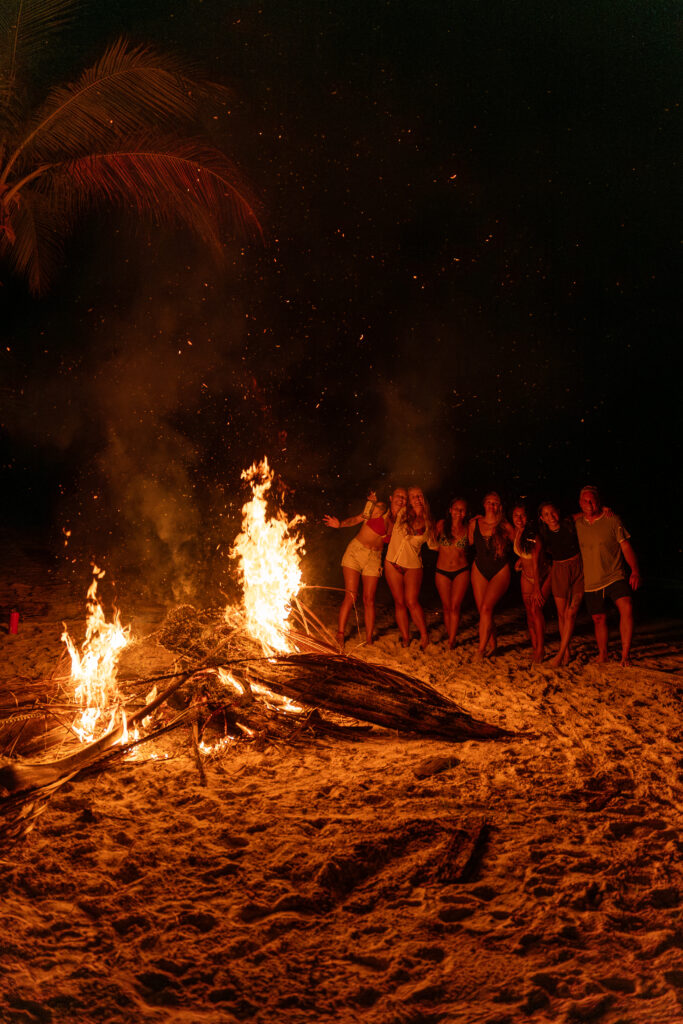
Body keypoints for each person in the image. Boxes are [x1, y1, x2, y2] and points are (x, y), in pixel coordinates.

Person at [574, 485, 641, 665]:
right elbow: (559, 522)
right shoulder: (577, 524)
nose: (589, 503)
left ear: (599, 501)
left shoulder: (612, 520)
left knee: (626, 606)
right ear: (580, 503)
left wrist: (635, 570)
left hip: (614, 574)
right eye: (585, 500)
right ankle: (603, 654)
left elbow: (625, 546)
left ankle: (625, 655)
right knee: (598, 618)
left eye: (592, 500)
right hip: (591, 580)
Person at [323, 491, 389, 648]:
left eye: (379, 509)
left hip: (374, 558)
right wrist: (339, 524)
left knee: (369, 599)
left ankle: (369, 639)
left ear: (385, 510)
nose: (375, 511)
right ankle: (340, 634)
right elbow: (354, 520)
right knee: (351, 595)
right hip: (355, 552)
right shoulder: (368, 512)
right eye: (374, 508)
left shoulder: (392, 520)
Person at [385, 486, 436, 649]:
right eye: (413, 497)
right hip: (392, 562)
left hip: (413, 566)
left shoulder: (429, 522)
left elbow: (434, 545)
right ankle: (405, 637)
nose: (417, 499)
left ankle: (424, 635)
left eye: (419, 496)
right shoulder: (401, 513)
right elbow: (390, 508)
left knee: (412, 602)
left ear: (424, 498)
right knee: (399, 602)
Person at [535, 502, 584, 667]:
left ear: (558, 511)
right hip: (559, 570)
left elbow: (586, 513)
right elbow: (536, 556)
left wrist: (603, 510)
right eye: (546, 515)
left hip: (578, 569)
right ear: (542, 518)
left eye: (553, 512)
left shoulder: (569, 522)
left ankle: (560, 654)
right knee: (562, 614)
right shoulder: (543, 535)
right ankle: (567, 650)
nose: (551, 517)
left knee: (571, 613)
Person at [468, 492, 515, 658]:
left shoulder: (505, 526)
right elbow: (469, 542)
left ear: (500, 506)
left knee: (487, 609)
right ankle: (493, 645)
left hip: (500, 569)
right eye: (489, 502)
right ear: (484, 504)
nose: (491, 506)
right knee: (484, 611)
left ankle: (481, 650)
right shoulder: (474, 524)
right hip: (479, 568)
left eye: (495, 503)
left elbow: (519, 544)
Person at [512, 503, 550, 662]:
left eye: (523, 515)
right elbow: (525, 552)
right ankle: (535, 647)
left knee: (536, 610)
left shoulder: (533, 535)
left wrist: (537, 587)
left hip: (541, 576)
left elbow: (535, 561)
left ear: (529, 517)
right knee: (529, 612)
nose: (519, 519)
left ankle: (541, 650)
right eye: (516, 515)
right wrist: (520, 559)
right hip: (526, 576)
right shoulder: (518, 532)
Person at [434, 498, 470, 648]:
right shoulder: (442, 524)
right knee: (446, 606)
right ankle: (450, 633)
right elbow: (432, 543)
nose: (458, 512)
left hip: (461, 571)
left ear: (466, 513)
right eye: (456, 508)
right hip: (441, 571)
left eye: (462, 510)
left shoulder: (469, 528)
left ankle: (451, 640)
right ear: (450, 510)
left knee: (455, 606)